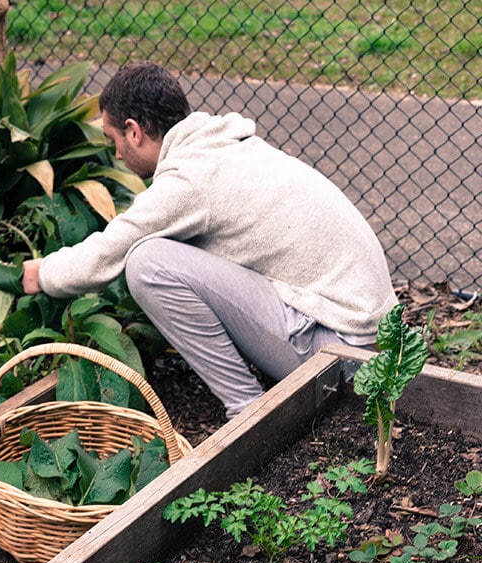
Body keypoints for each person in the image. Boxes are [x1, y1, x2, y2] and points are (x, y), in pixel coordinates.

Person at [21, 61, 398, 419]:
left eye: (114, 139)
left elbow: (104, 257)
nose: (116, 153)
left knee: (147, 263)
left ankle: (247, 410)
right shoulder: (227, 145)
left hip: (345, 359)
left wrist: (41, 274)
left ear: (134, 131)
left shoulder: (189, 182)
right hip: (378, 341)